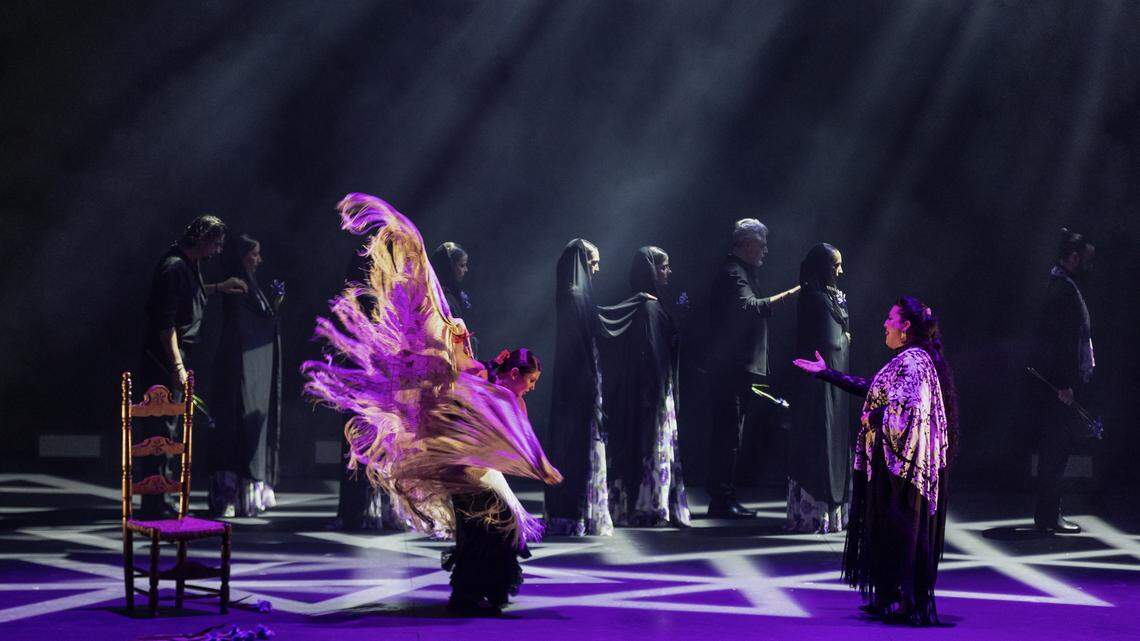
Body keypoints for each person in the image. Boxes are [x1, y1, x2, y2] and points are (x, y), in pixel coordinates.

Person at [302, 193, 562, 614]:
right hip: (456, 459)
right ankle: (474, 592)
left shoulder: (477, 377)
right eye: (529, 381)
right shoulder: (453, 361)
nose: (463, 337)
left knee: (490, 521)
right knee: (490, 519)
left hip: (464, 459)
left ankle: (479, 591)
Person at [793, 296, 958, 625]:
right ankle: (891, 595)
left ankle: (907, 600)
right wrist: (827, 374)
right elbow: (877, 391)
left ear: (905, 327)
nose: (885, 324)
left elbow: (908, 409)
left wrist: (875, 418)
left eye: (890, 318)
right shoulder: (908, 360)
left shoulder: (913, 361)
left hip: (905, 468)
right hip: (894, 463)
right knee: (891, 527)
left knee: (905, 528)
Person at [137, 215, 247, 517]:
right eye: (215, 242)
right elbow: (165, 323)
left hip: (176, 358)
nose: (217, 249)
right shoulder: (173, 267)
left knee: (171, 432)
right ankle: (156, 502)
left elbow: (192, 294)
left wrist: (219, 287)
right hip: (163, 360)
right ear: (200, 237)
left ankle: (163, 499)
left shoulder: (188, 265)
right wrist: (177, 366)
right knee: (160, 431)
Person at [706, 219, 800, 518]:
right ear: (746, 244)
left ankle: (724, 497)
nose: (766, 251)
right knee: (728, 436)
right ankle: (720, 500)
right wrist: (792, 294)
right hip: (731, 370)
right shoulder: (733, 272)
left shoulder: (742, 271)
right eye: (761, 245)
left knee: (732, 435)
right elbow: (749, 307)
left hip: (737, 369)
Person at [445, 347, 544, 613]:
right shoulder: (480, 376)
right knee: (483, 527)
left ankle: (485, 591)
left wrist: (541, 466)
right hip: (464, 467)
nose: (532, 387)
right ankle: (469, 595)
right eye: (531, 380)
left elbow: (522, 443)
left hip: (484, 469)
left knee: (499, 525)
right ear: (514, 373)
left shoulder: (515, 402)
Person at [602, 247, 691, 527]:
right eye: (663, 267)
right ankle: (648, 505)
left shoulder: (651, 304)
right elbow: (653, 355)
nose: (668, 272)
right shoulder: (649, 307)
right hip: (652, 393)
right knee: (650, 446)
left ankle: (648, 504)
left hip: (651, 391)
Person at [207, 233, 283, 517]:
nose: (259, 259)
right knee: (233, 424)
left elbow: (262, 320)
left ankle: (246, 494)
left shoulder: (251, 286)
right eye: (254, 253)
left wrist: (273, 310)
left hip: (253, 369)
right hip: (237, 367)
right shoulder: (235, 285)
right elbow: (244, 325)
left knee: (250, 425)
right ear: (241, 256)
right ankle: (228, 494)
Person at [543, 239, 614, 536]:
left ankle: (575, 513)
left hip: (578, 381)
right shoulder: (575, 295)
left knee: (575, 446)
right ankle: (572, 514)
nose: (597, 269)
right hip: (577, 384)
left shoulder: (577, 294)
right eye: (593, 263)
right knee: (574, 446)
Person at [1031, 228, 1096, 534]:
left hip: (1057, 384)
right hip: (1057, 386)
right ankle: (1047, 516)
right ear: (1072, 258)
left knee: (1055, 450)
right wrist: (1064, 384)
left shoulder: (1060, 285)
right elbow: (1058, 343)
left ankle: (1047, 513)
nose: (1087, 266)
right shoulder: (1062, 289)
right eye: (1084, 259)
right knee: (1055, 451)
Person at [786, 243, 852, 533]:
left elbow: (843, 337)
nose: (840, 271)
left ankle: (833, 512)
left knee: (834, 437)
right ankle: (814, 513)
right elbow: (831, 341)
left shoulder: (830, 297)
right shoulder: (813, 298)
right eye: (834, 265)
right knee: (818, 439)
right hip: (817, 385)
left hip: (835, 382)